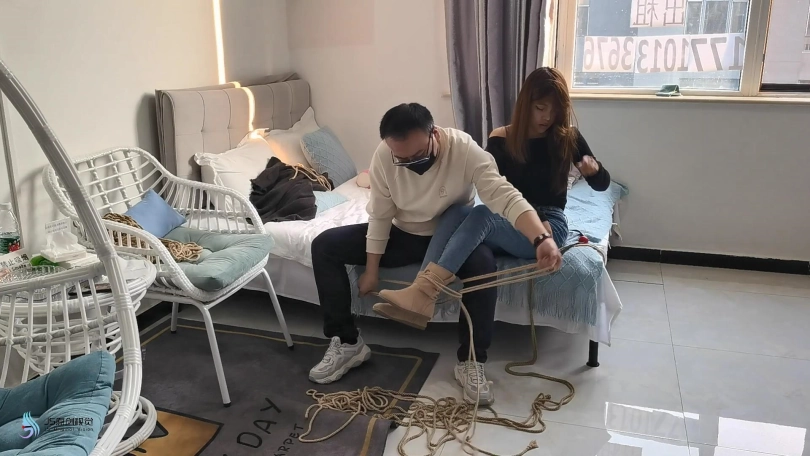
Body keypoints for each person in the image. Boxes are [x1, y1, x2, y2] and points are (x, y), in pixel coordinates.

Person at [308, 103, 560, 405]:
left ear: (434, 134)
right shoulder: (385, 155)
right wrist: (372, 270)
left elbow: (504, 196)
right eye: (402, 159)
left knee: (484, 264)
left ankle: (471, 361)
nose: (410, 163)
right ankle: (348, 343)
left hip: (453, 235)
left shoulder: (464, 149)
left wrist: (540, 238)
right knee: (324, 245)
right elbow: (380, 215)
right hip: (404, 234)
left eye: (417, 155)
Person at [378, 67, 611, 325]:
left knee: (482, 215)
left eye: (554, 110)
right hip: (510, 218)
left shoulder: (568, 137)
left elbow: (602, 186)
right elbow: (497, 189)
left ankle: (424, 293)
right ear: (526, 104)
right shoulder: (502, 138)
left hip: (548, 225)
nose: (547, 117)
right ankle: (419, 294)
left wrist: (594, 171)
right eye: (540, 108)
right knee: (456, 211)